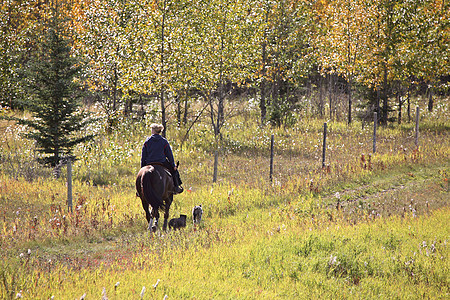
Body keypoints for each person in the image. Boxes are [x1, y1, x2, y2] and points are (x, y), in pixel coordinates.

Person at [141, 123, 183, 194]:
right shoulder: (164, 141)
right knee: (174, 171)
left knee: (141, 176)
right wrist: (173, 165)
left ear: (153, 131)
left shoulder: (147, 142)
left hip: (149, 162)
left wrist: (142, 167)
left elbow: (143, 156)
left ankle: (139, 191)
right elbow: (169, 154)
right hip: (162, 162)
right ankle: (176, 187)